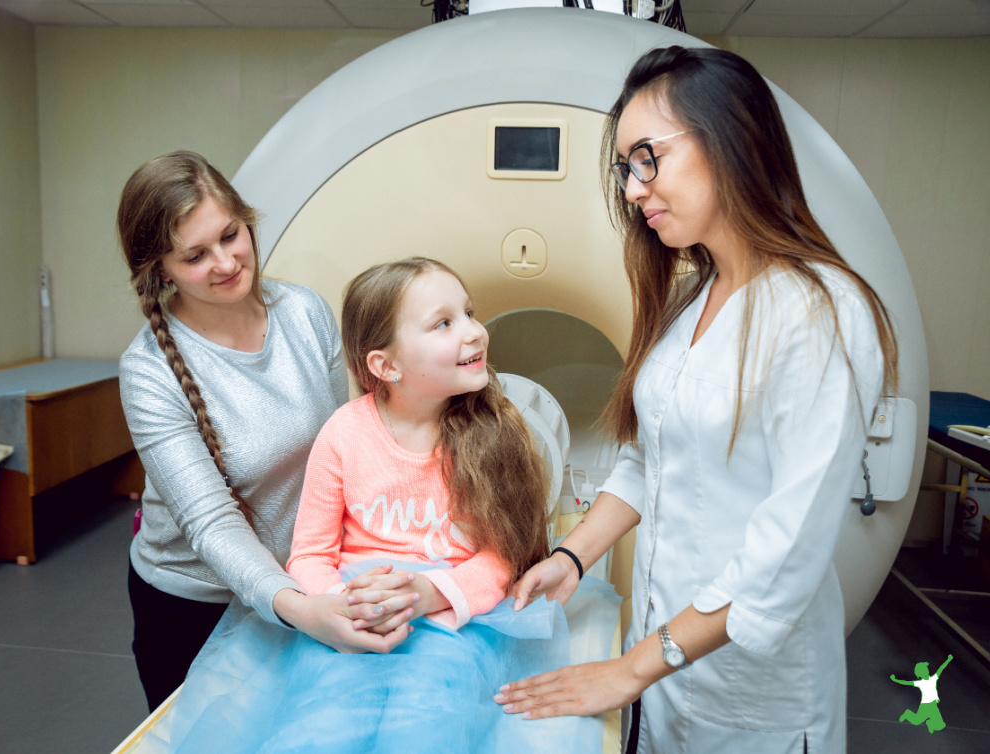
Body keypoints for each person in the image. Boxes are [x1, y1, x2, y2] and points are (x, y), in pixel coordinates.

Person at [495, 46, 899, 753]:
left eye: (647, 157)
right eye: (625, 167)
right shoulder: (692, 302)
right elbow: (647, 462)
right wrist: (572, 557)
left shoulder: (821, 313)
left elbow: (785, 558)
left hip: (752, 697)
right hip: (667, 669)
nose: (631, 188)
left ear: (731, 139)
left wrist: (627, 671)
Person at [135, 257, 619, 753]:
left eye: (469, 313)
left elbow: (504, 557)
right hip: (351, 615)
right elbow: (310, 554)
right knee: (321, 727)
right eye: (444, 323)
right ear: (386, 366)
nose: (475, 333)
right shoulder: (344, 434)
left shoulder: (496, 432)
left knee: (426, 726)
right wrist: (340, 608)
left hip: (452, 621)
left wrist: (428, 593)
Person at [117, 151, 408, 712]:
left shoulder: (304, 312)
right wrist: (302, 608)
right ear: (162, 271)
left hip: (302, 577)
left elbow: (341, 452)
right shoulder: (149, 369)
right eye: (196, 255)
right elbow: (210, 522)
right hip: (193, 603)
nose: (226, 262)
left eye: (231, 234)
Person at [890, 654, 953, 733]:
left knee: (941, 725)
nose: (926, 671)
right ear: (920, 673)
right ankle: (907, 714)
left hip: (933, 705)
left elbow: (941, 668)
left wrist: (948, 659)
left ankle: (930, 723)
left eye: (926, 669)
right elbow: (907, 683)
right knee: (916, 721)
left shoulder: (933, 678)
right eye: (924, 670)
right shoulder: (920, 683)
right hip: (925, 706)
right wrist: (895, 680)